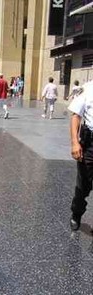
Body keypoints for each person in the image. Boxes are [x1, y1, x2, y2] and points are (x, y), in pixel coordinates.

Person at [68, 80, 93, 231]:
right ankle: (76, 214)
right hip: (90, 144)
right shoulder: (89, 87)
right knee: (83, 185)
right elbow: (76, 115)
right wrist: (75, 142)